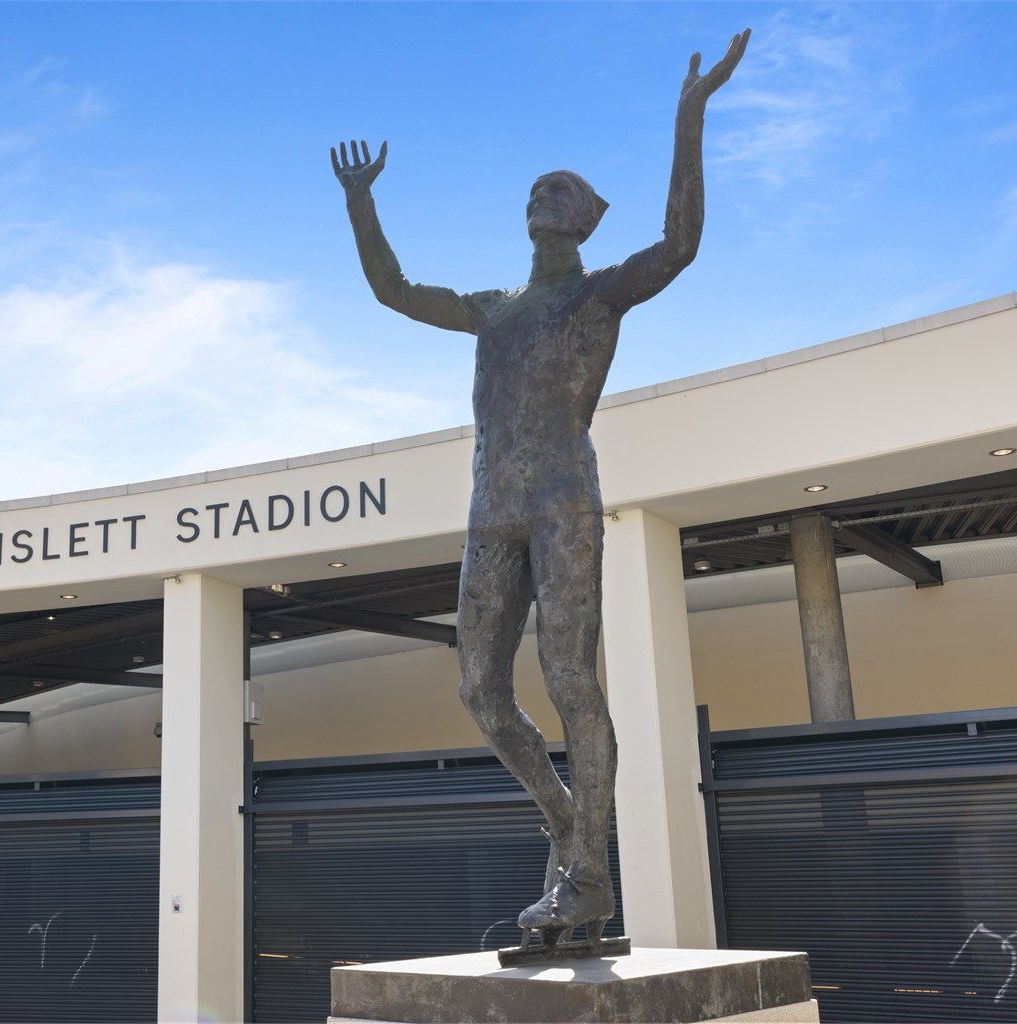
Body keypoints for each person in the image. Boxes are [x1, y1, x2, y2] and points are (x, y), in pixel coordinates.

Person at [330, 28, 750, 941]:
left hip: (562, 499)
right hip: (492, 510)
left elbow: (679, 243)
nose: (539, 195)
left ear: (588, 218)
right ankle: (566, 825)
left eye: (558, 189)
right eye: (532, 188)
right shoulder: (493, 310)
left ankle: (589, 875)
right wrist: (361, 203)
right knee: (479, 692)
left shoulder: (598, 294)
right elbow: (393, 290)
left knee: (568, 678)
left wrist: (689, 116)